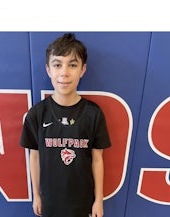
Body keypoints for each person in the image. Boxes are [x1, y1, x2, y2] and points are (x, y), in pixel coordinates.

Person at [20, 33, 111, 217]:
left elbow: (97, 159)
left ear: (83, 70)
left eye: (72, 65)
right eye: (57, 64)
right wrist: (36, 196)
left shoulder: (93, 113)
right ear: (48, 70)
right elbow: (34, 157)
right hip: (50, 202)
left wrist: (98, 200)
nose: (64, 73)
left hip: (82, 202)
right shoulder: (37, 114)